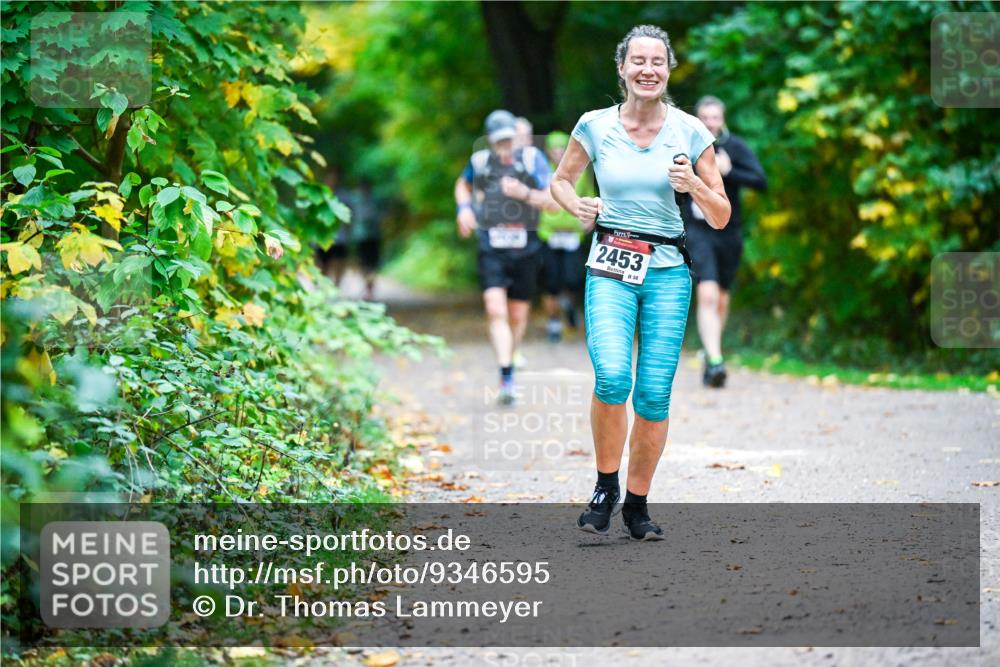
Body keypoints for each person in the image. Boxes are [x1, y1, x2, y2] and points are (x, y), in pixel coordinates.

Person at [550, 25, 730, 540]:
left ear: (668, 70)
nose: (648, 70)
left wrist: (692, 184)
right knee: (611, 377)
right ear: (622, 68)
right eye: (638, 61)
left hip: (669, 271)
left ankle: (638, 504)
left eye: (658, 61)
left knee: (653, 394)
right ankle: (606, 486)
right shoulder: (594, 125)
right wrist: (576, 204)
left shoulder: (692, 131)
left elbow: (720, 215)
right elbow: (561, 180)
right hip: (610, 263)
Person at [455, 109, 556, 405]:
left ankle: (510, 359)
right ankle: (506, 374)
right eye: (499, 142)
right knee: (495, 309)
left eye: (509, 140)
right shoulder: (480, 162)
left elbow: (552, 203)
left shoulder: (532, 162)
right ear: (489, 141)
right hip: (491, 245)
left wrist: (525, 193)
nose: (504, 147)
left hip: (526, 247)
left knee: (517, 316)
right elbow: (462, 184)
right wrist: (464, 209)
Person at [681, 95, 768, 388]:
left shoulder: (735, 148)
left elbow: (761, 181)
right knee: (707, 293)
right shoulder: (685, 147)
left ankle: (710, 352)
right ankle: (717, 361)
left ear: (723, 119)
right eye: (704, 118)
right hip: (697, 230)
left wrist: (730, 171)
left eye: (715, 118)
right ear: (697, 119)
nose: (710, 123)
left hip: (729, 232)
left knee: (721, 298)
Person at [537, 131, 594, 342]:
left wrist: (590, 219)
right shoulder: (541, 174)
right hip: (549, 234)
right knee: (551, 281)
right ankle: (553, 321)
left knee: (572, 279)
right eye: (555, 148)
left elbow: (590, 196)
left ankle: (567, 304)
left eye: (563, 147)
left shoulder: (580, 173)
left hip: (573, 236)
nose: (559, 152)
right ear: (548, 151)